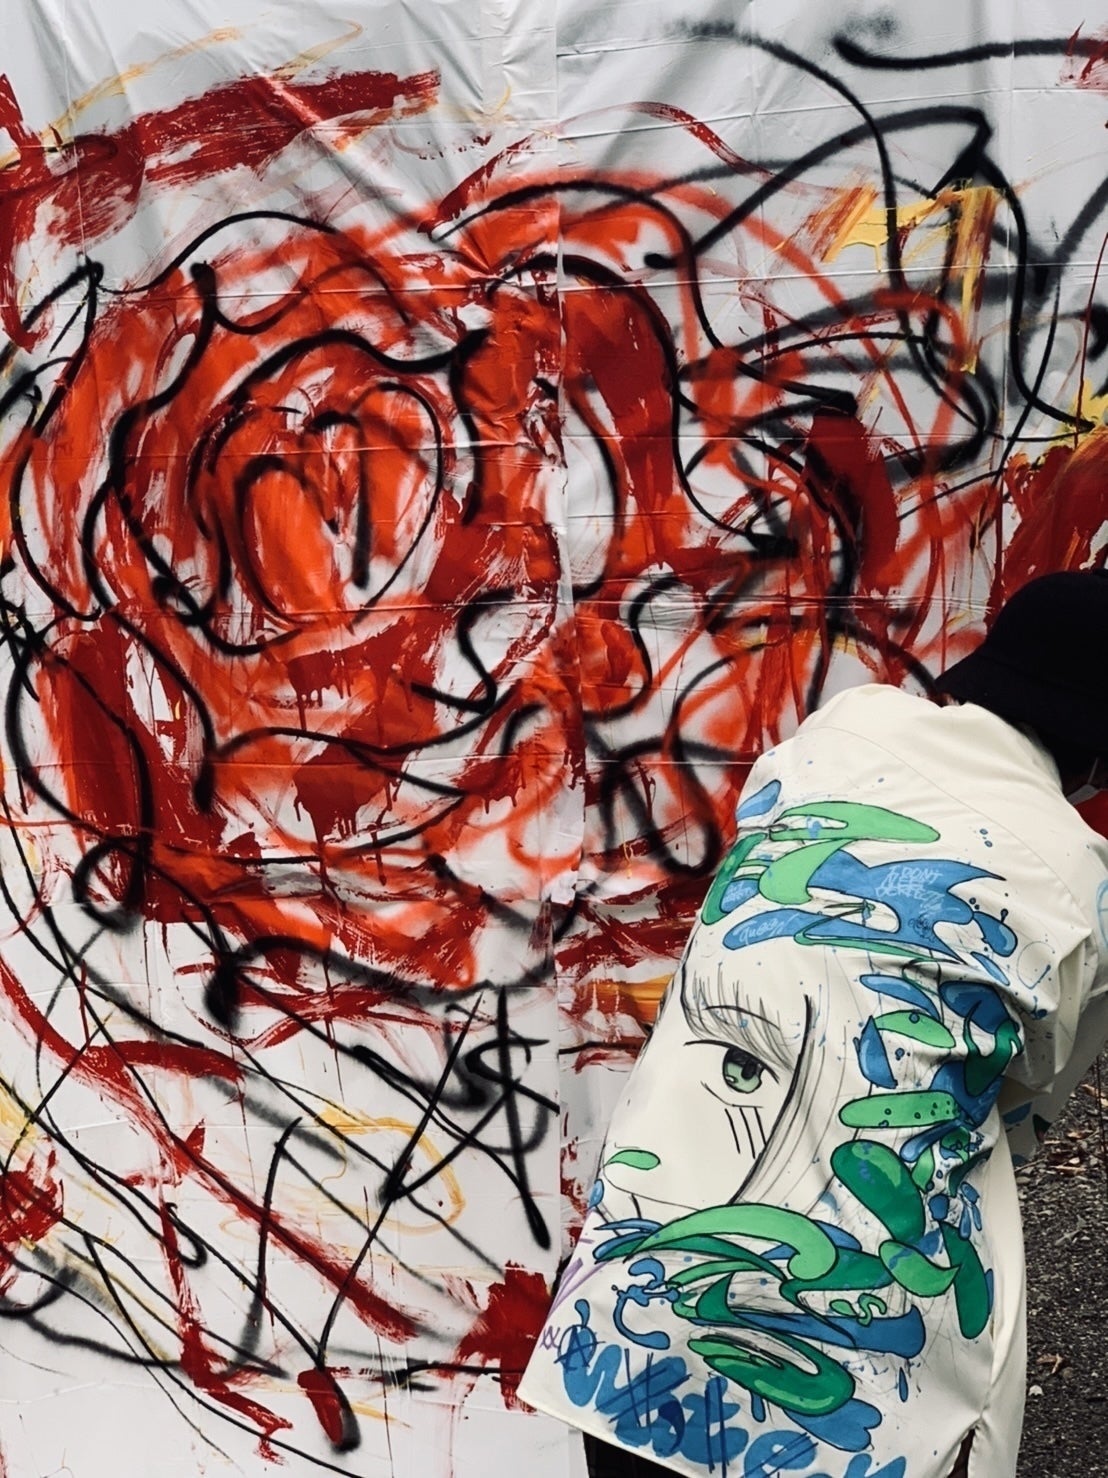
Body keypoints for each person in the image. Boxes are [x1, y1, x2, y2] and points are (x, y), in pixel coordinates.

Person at [520, 570, 1108, 1478]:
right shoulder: (1079, 878)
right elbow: (1022, 1108)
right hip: (850, 1359)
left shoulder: (837, 734)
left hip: (639, 1291)